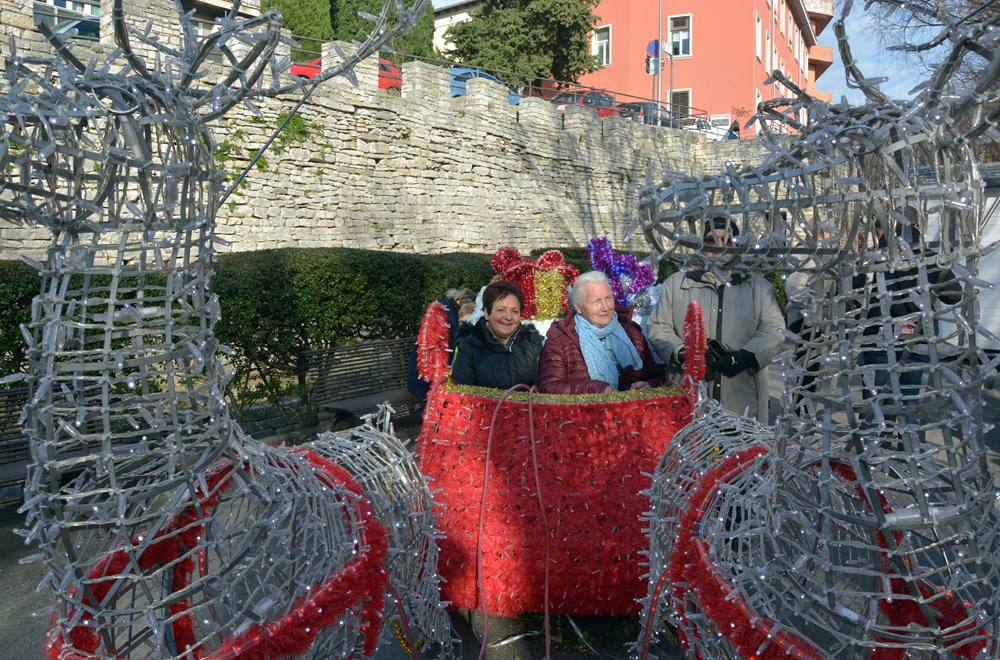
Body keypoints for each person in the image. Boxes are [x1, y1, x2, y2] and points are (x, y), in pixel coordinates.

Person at [647, 217, 785, 421]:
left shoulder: (759, 287)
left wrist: (747, 356)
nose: (719, 247)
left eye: (727, 240)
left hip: (743, 401)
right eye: (711, 240)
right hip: (689, 400)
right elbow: (659, 327)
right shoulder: (676, 285)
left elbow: (774, 329)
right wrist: (685, 353)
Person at [538, 271, 663, 394]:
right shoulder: (559, 342)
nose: (605, 307)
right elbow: (548, 387)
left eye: (608, 298)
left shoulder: (632, 334)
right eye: (596, 301)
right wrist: (596, 389)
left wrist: (649, 385)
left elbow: (657, 377)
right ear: (578, 307)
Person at [451, 280, 543, 389]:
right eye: (501, 310)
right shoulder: (470, 346)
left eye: (514, 311)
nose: (508, 317)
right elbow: (461, 393)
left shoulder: (534, 344)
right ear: (486, 312)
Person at [407, 288, 476, 399]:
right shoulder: (448, 317)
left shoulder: (442, 310)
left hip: (421, 378)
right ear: (459, 301)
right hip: (429, 382)